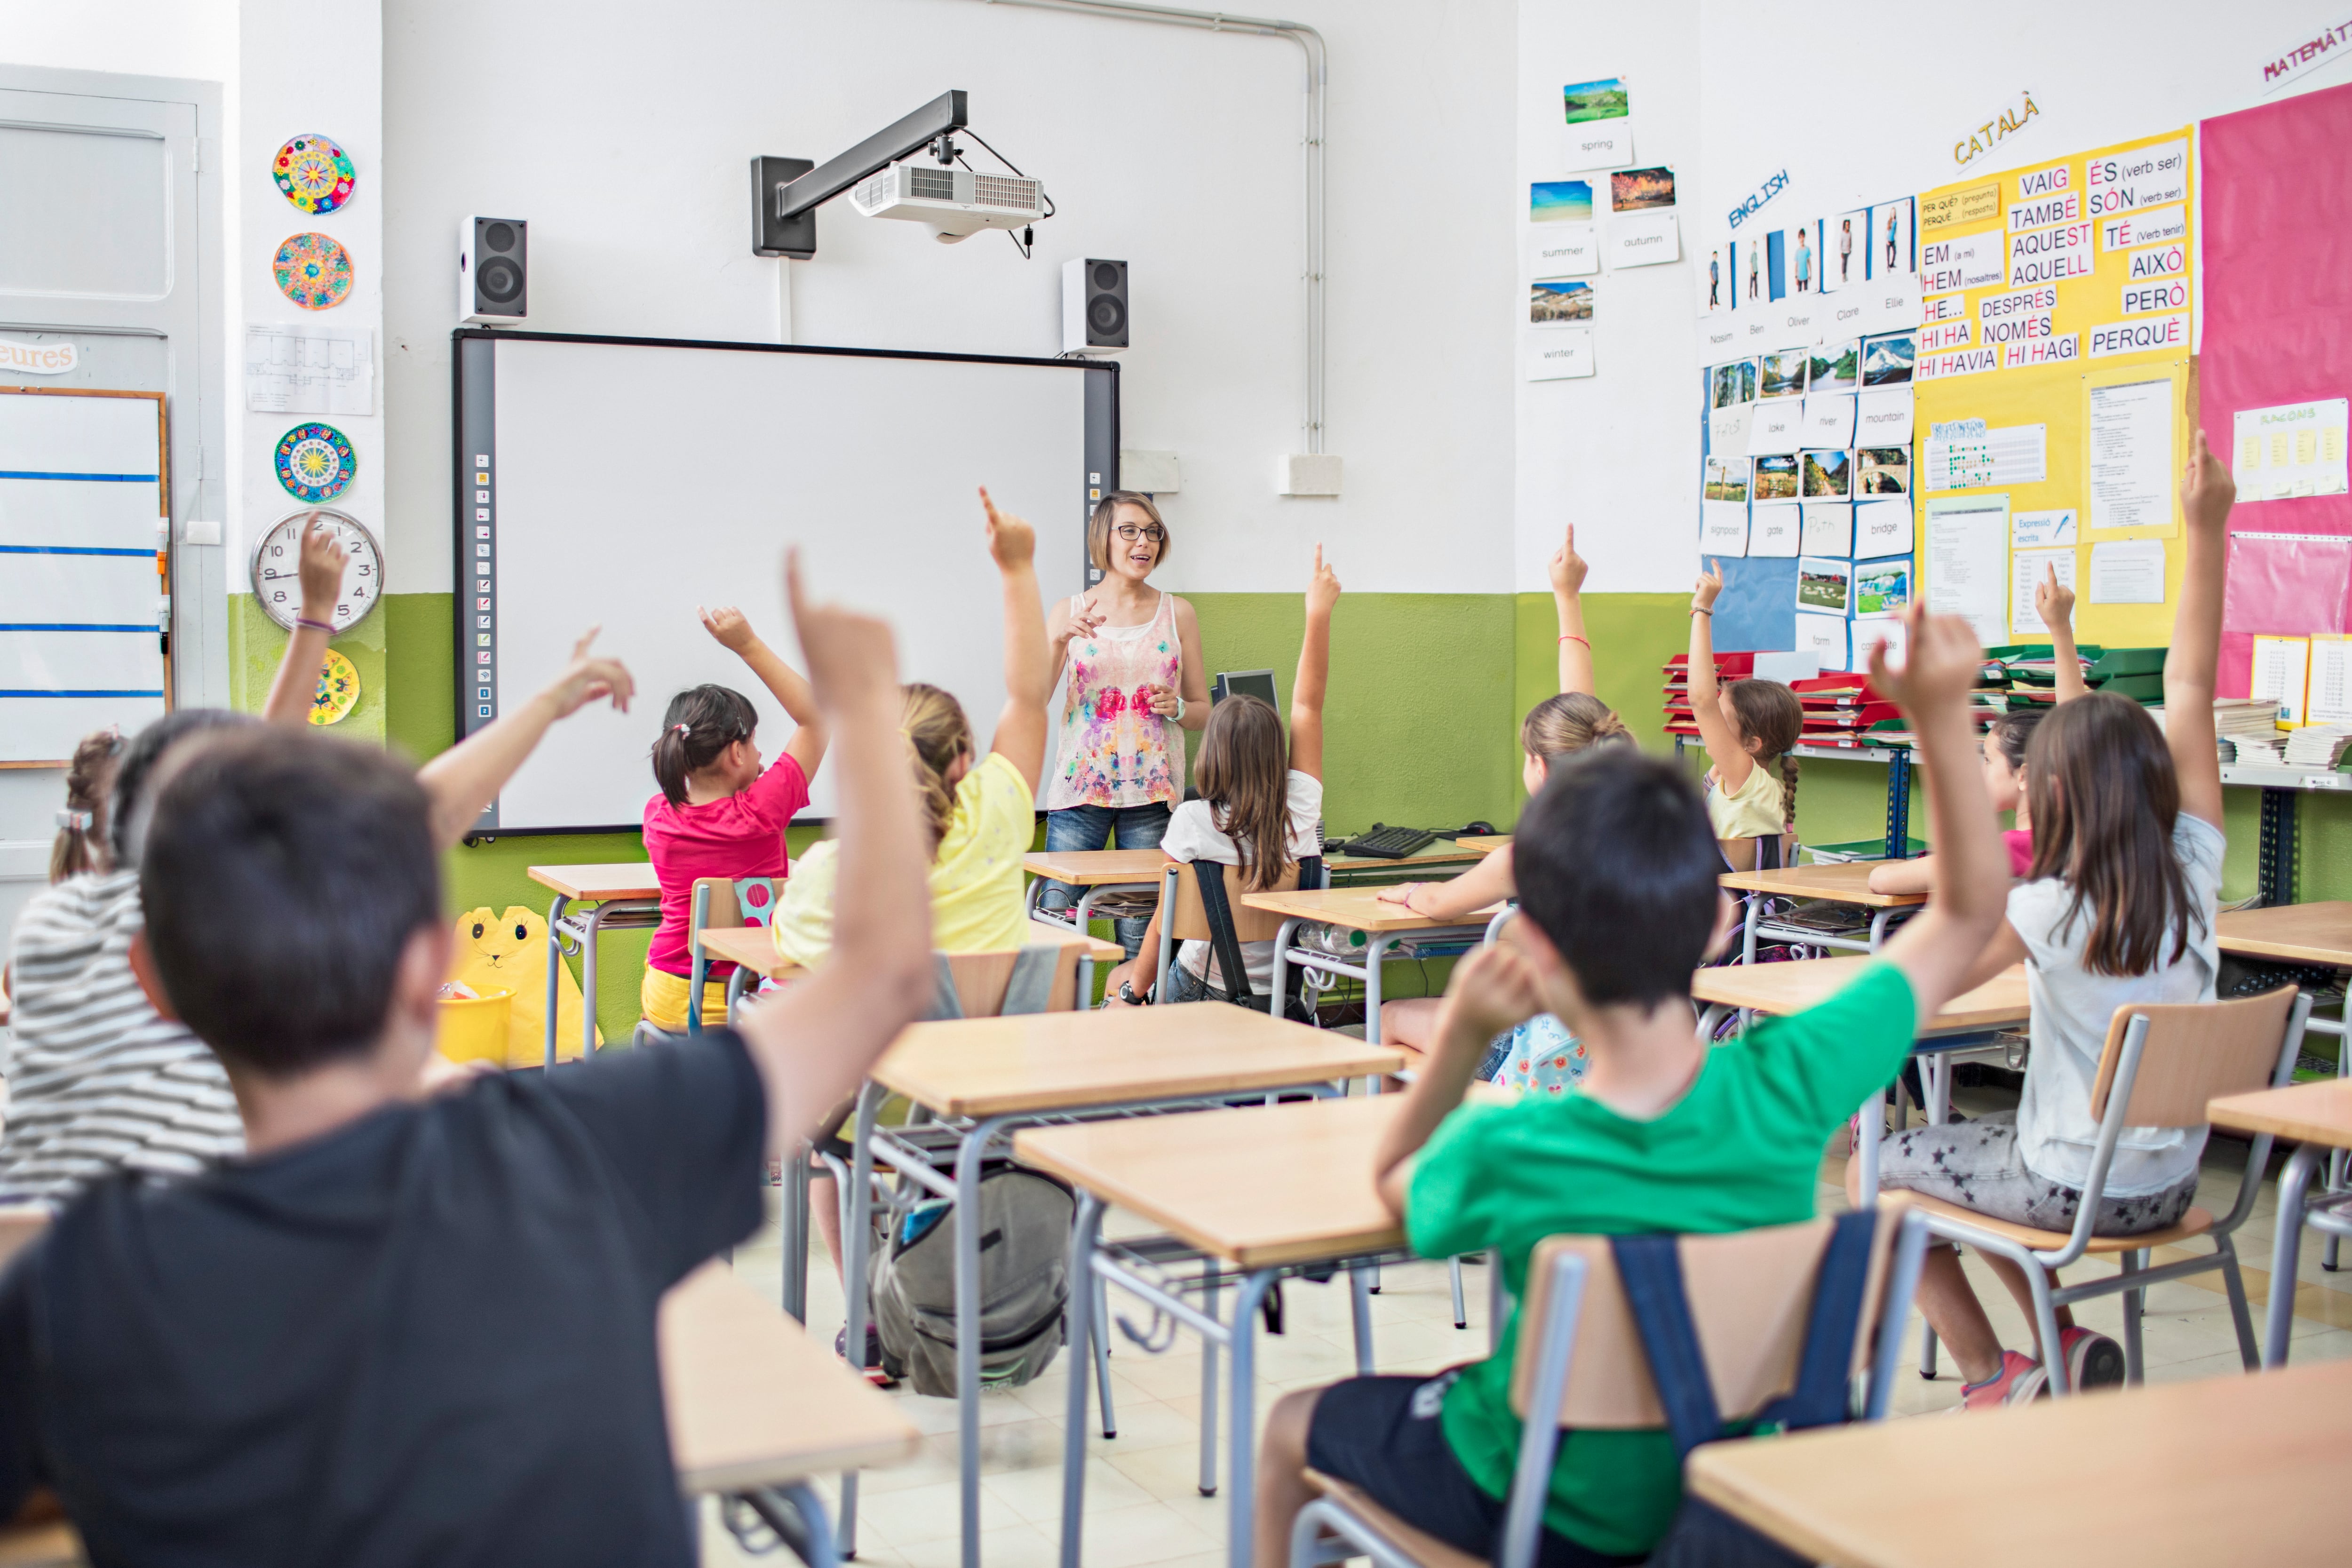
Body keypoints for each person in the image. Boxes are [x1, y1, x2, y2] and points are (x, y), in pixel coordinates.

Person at [0, 549, 933, 1564]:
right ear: (433, 964)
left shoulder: (69, 1289)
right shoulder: (588, 1148)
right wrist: (865, 709)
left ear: (157, 984)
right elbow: (882, 972)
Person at [1252, 602, 2010, 1568]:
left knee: (1290, 1425)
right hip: (1736, 1503)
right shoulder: (1790, 1081)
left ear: (1534, 952)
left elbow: (1395, 1179)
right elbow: (1968, 911)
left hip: (1555, 1517)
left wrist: (1459, 1044)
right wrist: (1940, 719)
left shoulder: (1513, 1144)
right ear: (1715, 926)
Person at [0, 518, 632, 1208]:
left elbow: (289, 773)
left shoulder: (56, 926)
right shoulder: (208, 929)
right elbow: (424, 807)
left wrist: (317, 618)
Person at [1870, 431, 2238, 1408]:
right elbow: (2191, 686)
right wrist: (2208, 529)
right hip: (2177, 1181)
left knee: (1886, 1169)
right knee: (1963, 1164)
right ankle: (2061, 1343)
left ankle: (1996, 1376)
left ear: (2048, 794)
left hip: (2074, 1186)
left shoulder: (2043, 907)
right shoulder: (2195, 866)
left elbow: (1923, 978)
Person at [771, 489, 1049, 1323]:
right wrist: (1018, 570)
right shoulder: (1003, 808)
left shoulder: (835, 868)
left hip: (883, 1104)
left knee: (814, 1136)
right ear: (966, 757)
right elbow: (1031, 698)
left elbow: (791, 966)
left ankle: (864, 1314)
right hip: (1006, 1086)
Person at [1375, 526, 1629, 1095]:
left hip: (1534, 1055)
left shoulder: (1528, 857)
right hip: (1623, 1053)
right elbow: (1582, 717)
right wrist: (1568, 598)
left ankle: (1415, 1168)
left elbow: (1441, 904)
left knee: (1388, 1019)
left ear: (1539, 769)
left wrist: (1409, 892)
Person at [1099, 546, 1337, 1008]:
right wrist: (1318, 614)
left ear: (1212, 756)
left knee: (1118, 979)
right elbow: (1308, 707)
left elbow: (1159, 926)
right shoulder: (1303, 808)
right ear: (1275, 754)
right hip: (1282, 1000)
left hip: (1201, 988)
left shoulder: (1191, 820)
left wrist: (1131, 994)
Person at [637, 605, 826, 1034]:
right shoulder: (763, 810)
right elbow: (817, 717)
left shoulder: (658, 815)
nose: (761, 754)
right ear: (736, 754)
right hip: (751, 1000)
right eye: (754, 742)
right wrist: (747, 645)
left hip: (671, 995)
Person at [1035, 491, 1208, 955]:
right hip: (1080, 794)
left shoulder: (1179, 613)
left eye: (1152, 532)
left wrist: (1175, 707)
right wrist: (1057, 642)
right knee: (1052, 926)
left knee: (1142, 939)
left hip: (1151, 797)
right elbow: (1032, 701)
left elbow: (1202, 712)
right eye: (1129, 530)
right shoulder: (1069, 610)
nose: (1143, 542)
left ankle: (1136, 1020)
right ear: (1103, 540)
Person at [1869, 565, 2084, 896]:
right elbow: (2076, 731)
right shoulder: (2079, 837)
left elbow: (1881, 880)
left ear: (2025, 775)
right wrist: (2060, 628)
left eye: (1989, 760)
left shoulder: (2012, 848)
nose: (1981, 771)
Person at [1687, 559, 1803, 870]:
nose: (1712, 729)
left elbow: (1701, 700)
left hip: (1731, 915)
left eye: (1722, 723)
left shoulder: (1749, 782)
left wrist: (1702, 610)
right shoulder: (1732, 778)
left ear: (1752, 744)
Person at [1794, 228, 1812, 293]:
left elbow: (1809, 263)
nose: (1802, 239)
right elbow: (1796, 265)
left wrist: (1810, 274)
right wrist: (1796, 277)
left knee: (1806, 292)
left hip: (1806, 276)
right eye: (1801, 237)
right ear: (1799, 239)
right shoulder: (1797, 252)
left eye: (1803, 237)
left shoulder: (1807, 250)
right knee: (1799, 292)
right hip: (1799, 277)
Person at [1838, 216, 1854, 284]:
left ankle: (1845, 274)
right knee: (1844, 264)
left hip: (1848, 250)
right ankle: (1843, 275)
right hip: (1844, 251)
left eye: (1849, 225)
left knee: (1846, 263)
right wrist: (1841, 252)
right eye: (1847, 225)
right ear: (1845, 225)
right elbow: (1841, 243)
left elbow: (1851, 241)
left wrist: (1850, 249)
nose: (1848, 226)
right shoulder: (1843, 234)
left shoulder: (1850, 233)